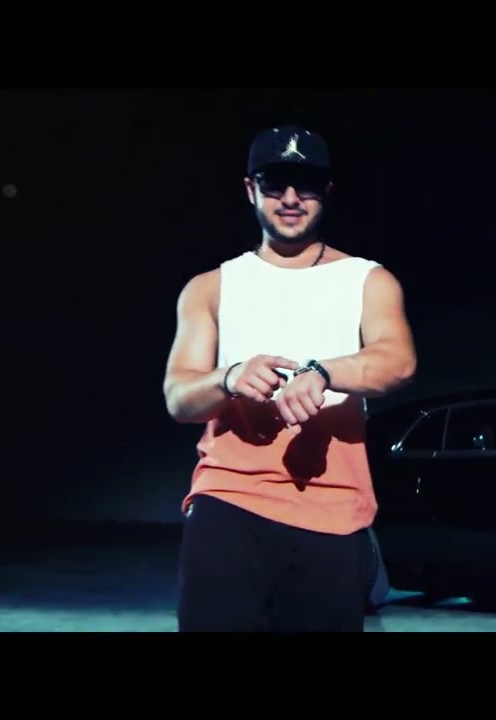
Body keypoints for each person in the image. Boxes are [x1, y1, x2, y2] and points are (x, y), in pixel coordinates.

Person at [162, 124, 417, 632]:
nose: (292, 198)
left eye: (307, 184)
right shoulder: (210, 287)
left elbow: (398, 361)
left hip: (332, 508)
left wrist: (324, 373)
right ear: (251, 189)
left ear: (328, 191)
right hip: (228, 501)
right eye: (275, 183)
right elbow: (178, 397)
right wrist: (228, 377)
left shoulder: (367, 279)